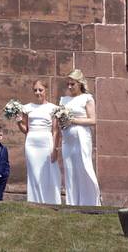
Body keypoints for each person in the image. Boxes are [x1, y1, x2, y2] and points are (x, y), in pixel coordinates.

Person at [17, 79, 63, 204]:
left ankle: (51, 200)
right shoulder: (27, 108)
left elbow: (55, 131)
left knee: (49, 172)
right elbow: (25, 129)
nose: (37, 92)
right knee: (34, 171)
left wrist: (55, 149)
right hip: (31, 143)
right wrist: (18, 122)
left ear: (46, 90)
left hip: (46, 142)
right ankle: (34, 201)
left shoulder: (53, 108)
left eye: (40, 90)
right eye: (35, 90)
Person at [59, 69, 101, 206]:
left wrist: (73, 120)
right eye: (68, 84)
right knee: (70, 169)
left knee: (84, 166)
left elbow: (93, 120)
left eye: (73, 84)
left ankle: (90, 200)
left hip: (82, 137)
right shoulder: (64, 100)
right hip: (68, 139)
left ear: (80, 84)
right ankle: (72, 202)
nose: (70, 87)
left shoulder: (87, 98)